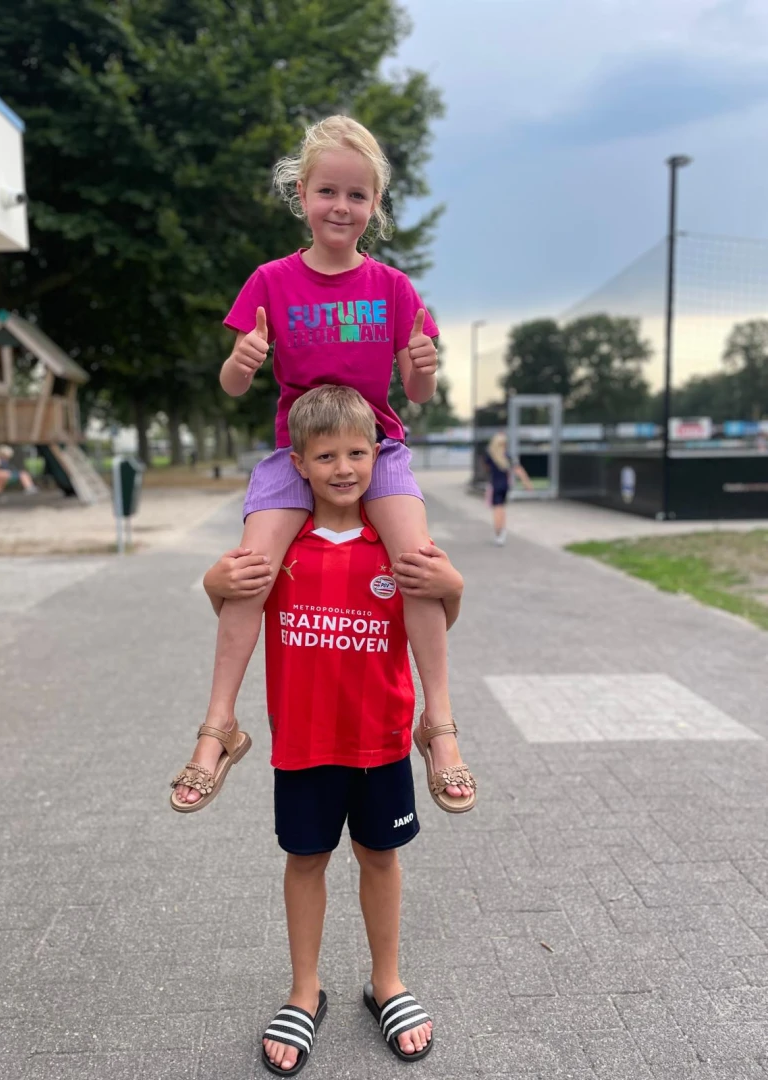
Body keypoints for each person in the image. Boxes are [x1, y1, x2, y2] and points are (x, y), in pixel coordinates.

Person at [172, 115, 472, 812]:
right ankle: (220, 725)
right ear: (302, 193)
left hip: (378, 444)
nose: (342, 207)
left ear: (375, 205)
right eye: (328, 191)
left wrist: (424, 366)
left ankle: (440, 722)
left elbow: (416, 392)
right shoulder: (271, 281)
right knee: (250, 571)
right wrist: (239, 363)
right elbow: (236, 384)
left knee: (419, 561)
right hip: (296, 450)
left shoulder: (395, 289)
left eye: (358, 196)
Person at [178, 387, 474, 1074]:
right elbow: (237, 614)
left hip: (381, 742)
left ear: (380, 455)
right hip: (304, 747)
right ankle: (304, 992)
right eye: (326, 455)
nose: (344, 467)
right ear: (298, 462)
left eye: (358, 452)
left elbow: (435, 623)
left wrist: (453, 585)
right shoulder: (282, 548)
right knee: (305, 862)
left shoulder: (394, 546)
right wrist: (209, 580)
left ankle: (387, 982)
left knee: (379, 858)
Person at [484, 433, 533, 546]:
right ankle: (502, 533)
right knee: (502, 509)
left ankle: (498, 533)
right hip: (505, 485)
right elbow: (518, 469)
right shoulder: (507, 456)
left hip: (495, 485)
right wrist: (526, 482)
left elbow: (487, 469)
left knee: (497, 510)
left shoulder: (490, 456)